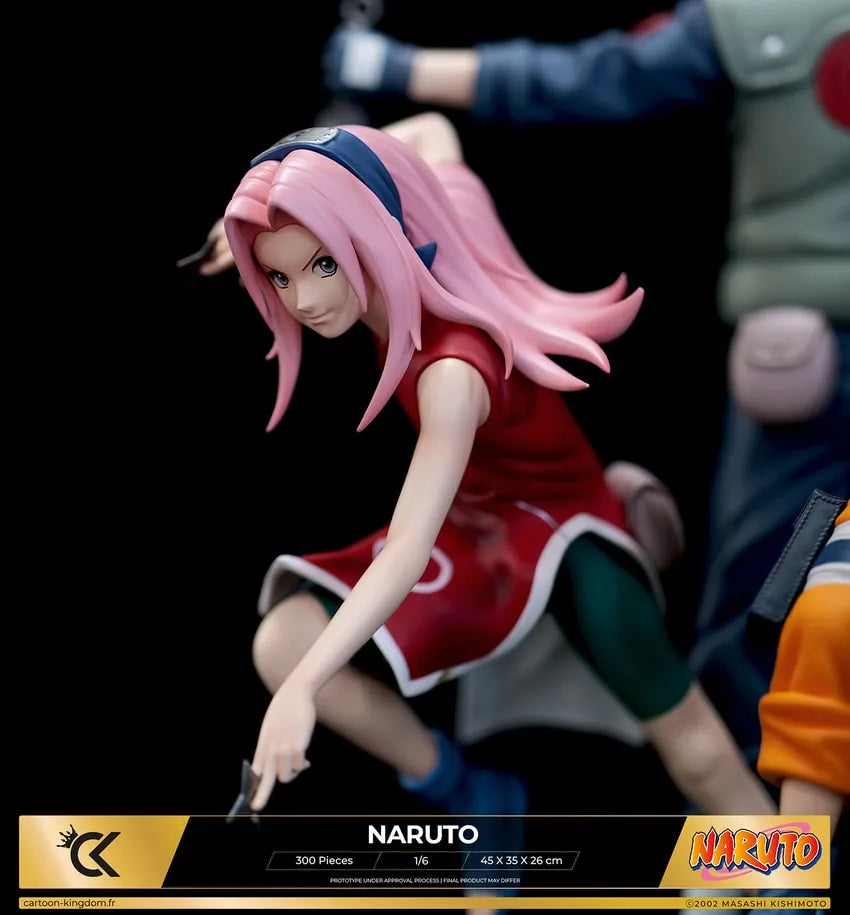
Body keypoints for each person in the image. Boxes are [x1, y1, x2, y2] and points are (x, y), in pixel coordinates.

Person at [320, 0, 850, 768]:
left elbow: (596, 77)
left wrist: (394, 67)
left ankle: (757, 827)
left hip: (796, 355)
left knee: (761, 601)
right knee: (769, 603)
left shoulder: (764, 17)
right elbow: (598, 77)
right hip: (796, 362)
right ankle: (759, 829)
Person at [217, 109, 775, 823]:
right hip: (476, 528)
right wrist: (280, 183)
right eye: (279, 275)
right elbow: (430, 134)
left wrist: (303, 689)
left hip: (564, 535)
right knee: (282, 641)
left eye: (323, 264)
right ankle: (471, 796)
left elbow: (408, 547)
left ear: (370, 227)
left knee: (695, 749)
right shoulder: (442, 221)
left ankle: (785, 869)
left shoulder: (452, 372)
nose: (306, 299)